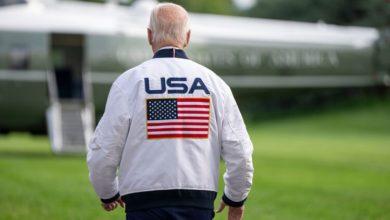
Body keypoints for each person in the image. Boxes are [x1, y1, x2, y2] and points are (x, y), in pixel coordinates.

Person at [87, 3, 254, 220]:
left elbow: (104, 149)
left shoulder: (129, 82)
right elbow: (239, 151)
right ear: (187, 37)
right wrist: (235, 199)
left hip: (143, 204)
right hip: (198, 201)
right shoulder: (215, 84)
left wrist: (107, 192)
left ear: (149, 36)